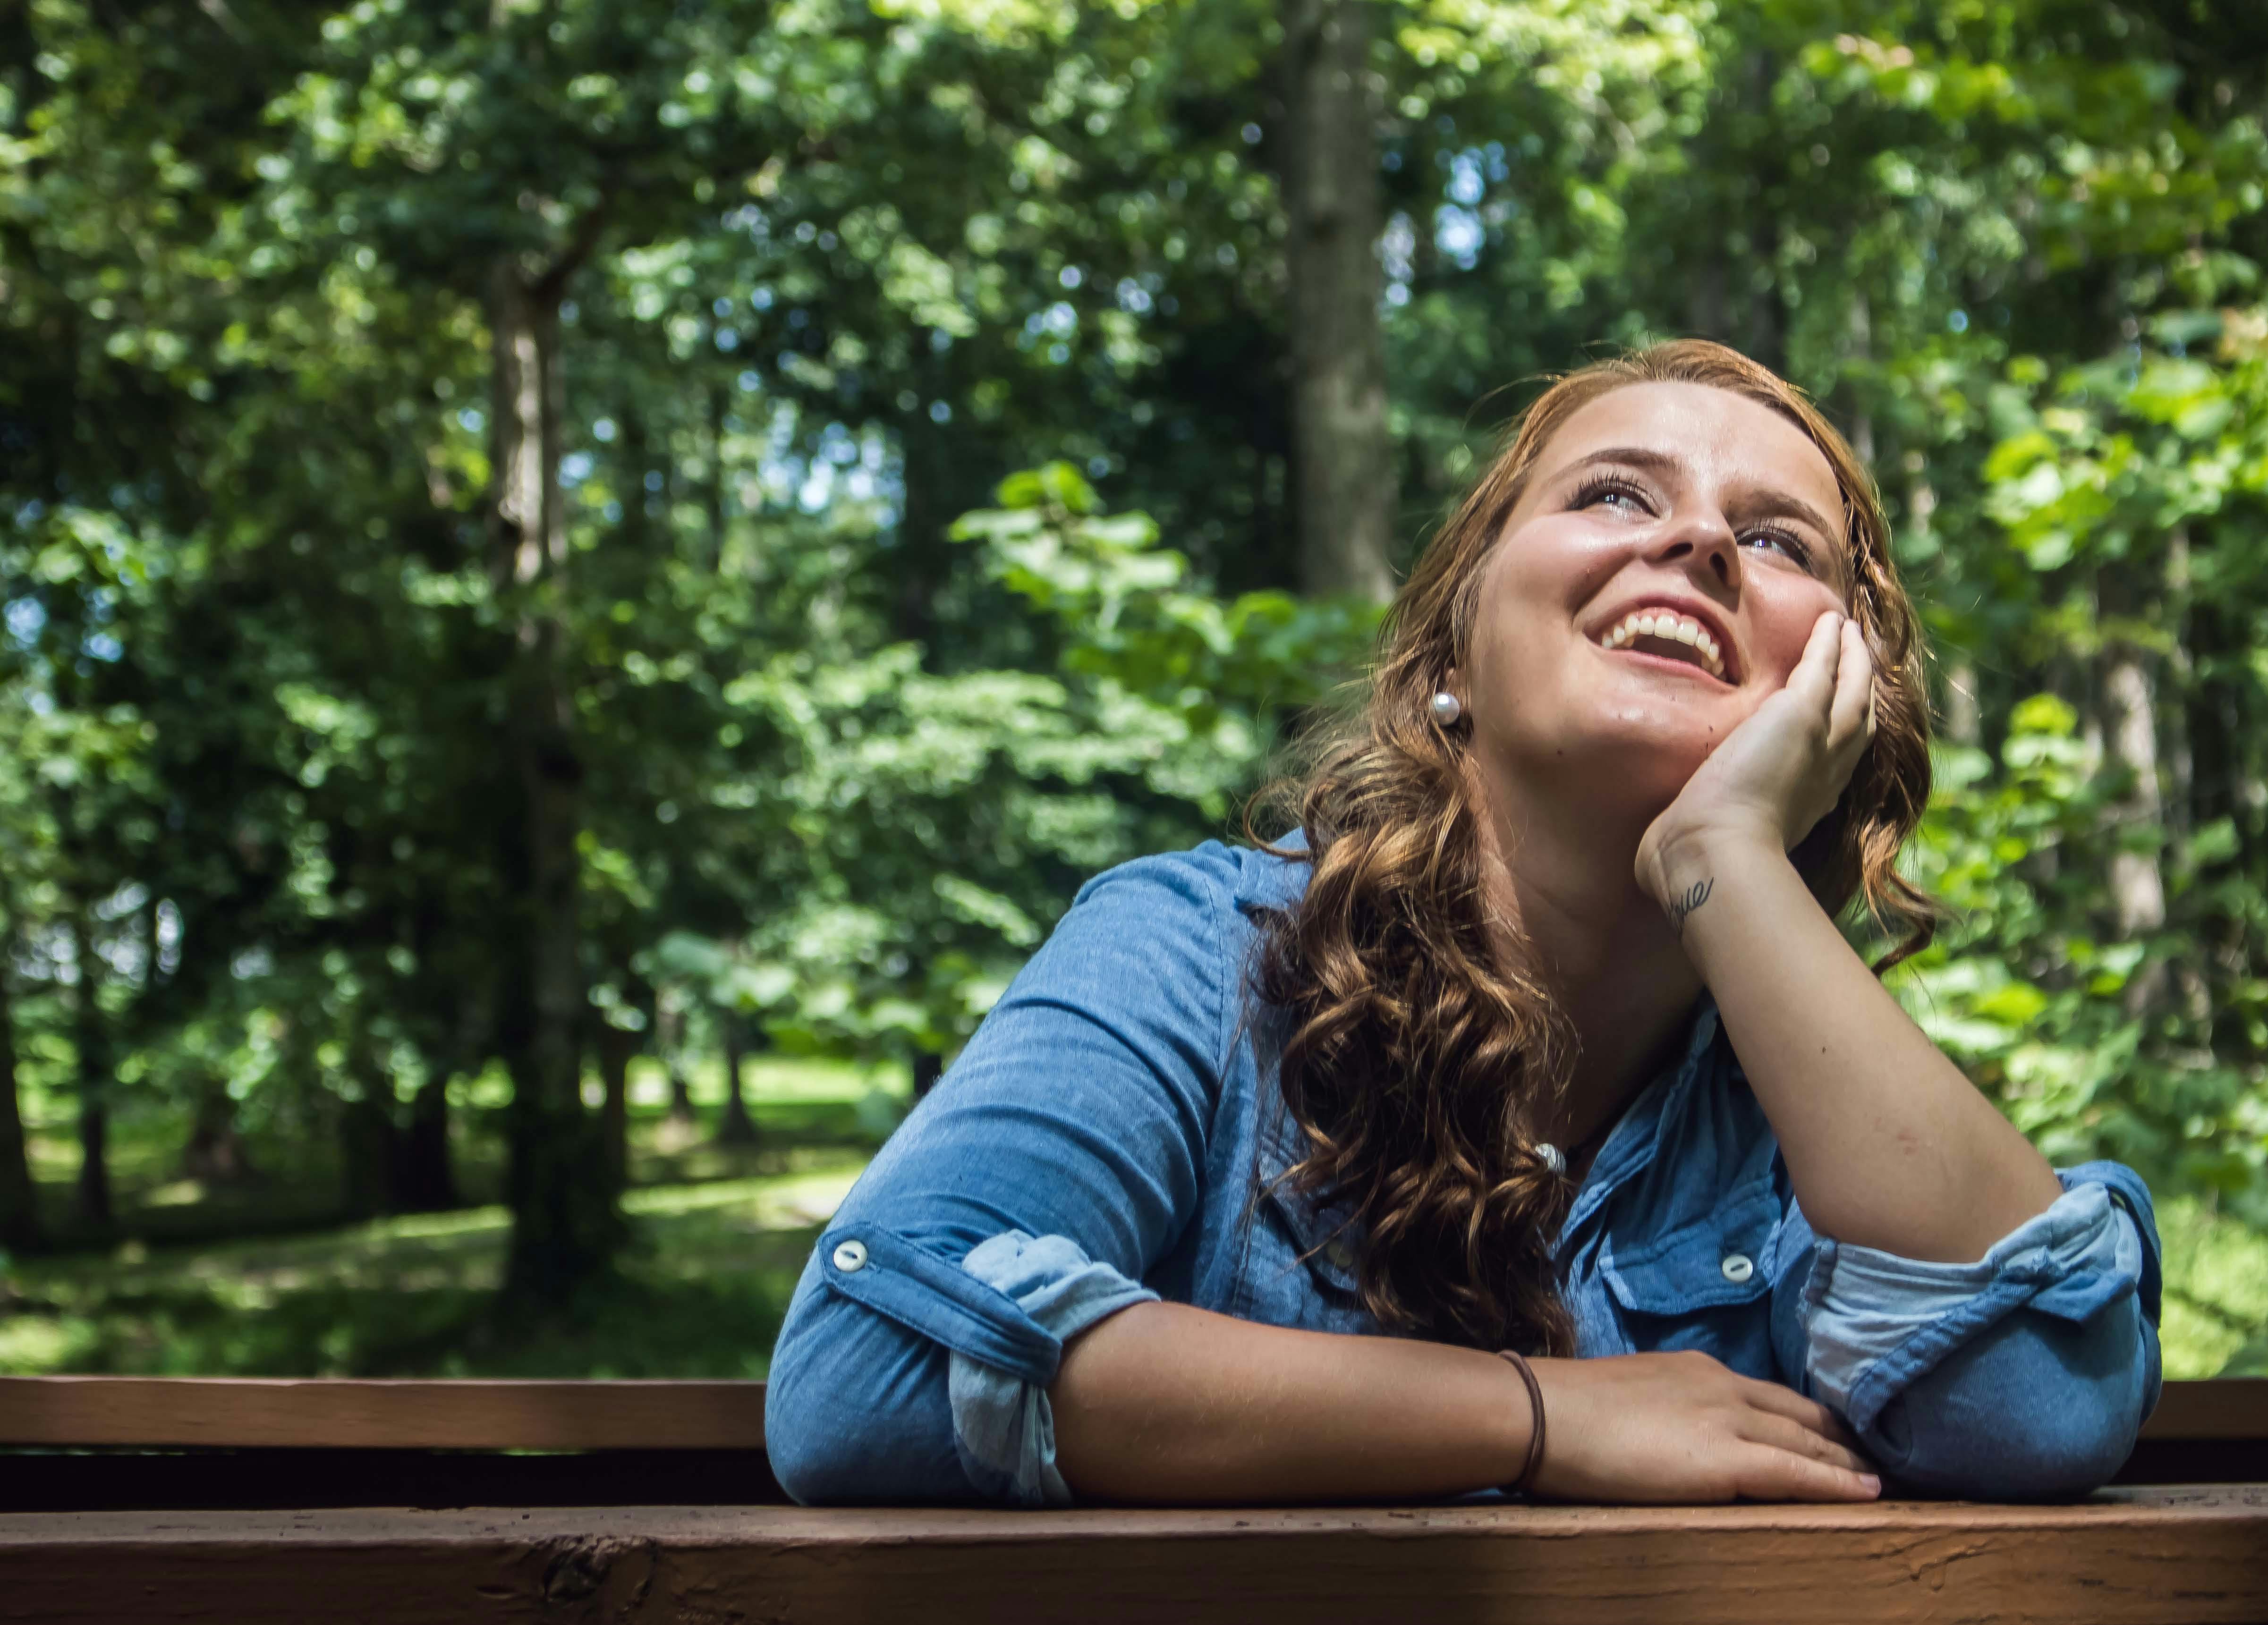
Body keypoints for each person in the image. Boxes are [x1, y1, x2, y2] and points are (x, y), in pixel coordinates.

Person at [763, 340, 2161, 1507]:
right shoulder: (1194, 950)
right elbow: (866, 1367)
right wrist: (1538, 1417)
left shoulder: (1816, 1118)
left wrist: (1724, 856)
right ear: (1448, 653)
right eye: (1615, 495)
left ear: (1841, 695)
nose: (1694, 542)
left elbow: (2032, 1408)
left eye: (1774, 538)